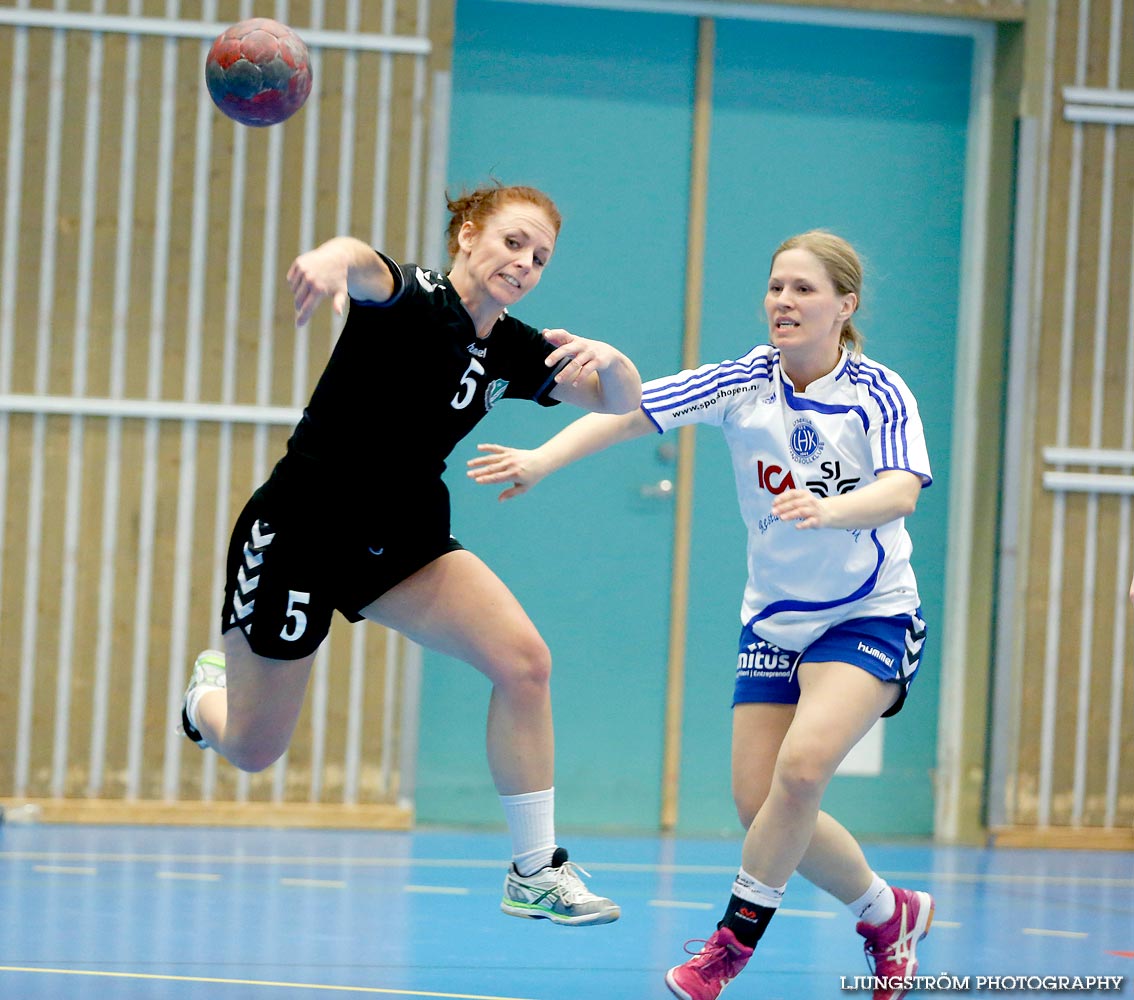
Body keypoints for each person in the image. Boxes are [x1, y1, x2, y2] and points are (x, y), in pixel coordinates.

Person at [468, 230, 935, 997]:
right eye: (776, 286)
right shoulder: (745, 380)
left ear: (844, 306)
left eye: (804, 290)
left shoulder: (879, 392)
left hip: (870, 612)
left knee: (803, 768)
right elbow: (630, 411)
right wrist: (542, 459)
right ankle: (889, 912)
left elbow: (902, 490)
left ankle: (730, 944)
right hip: (775, 621)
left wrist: (833, 508)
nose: (783, 302)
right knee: (761, 801)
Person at [178, 182, 641, 927]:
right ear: (468, 235)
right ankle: (206, 695)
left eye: (541, 257)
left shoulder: (516, 349)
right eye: (513, 241)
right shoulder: (417, 297)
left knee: (525, 663)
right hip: (299, 530)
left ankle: (534, 870)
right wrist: (330, 260)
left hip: (400, 536)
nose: (524, 263)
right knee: (254, 748)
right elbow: (365, 265)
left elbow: (617, 401)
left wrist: (612, 361)